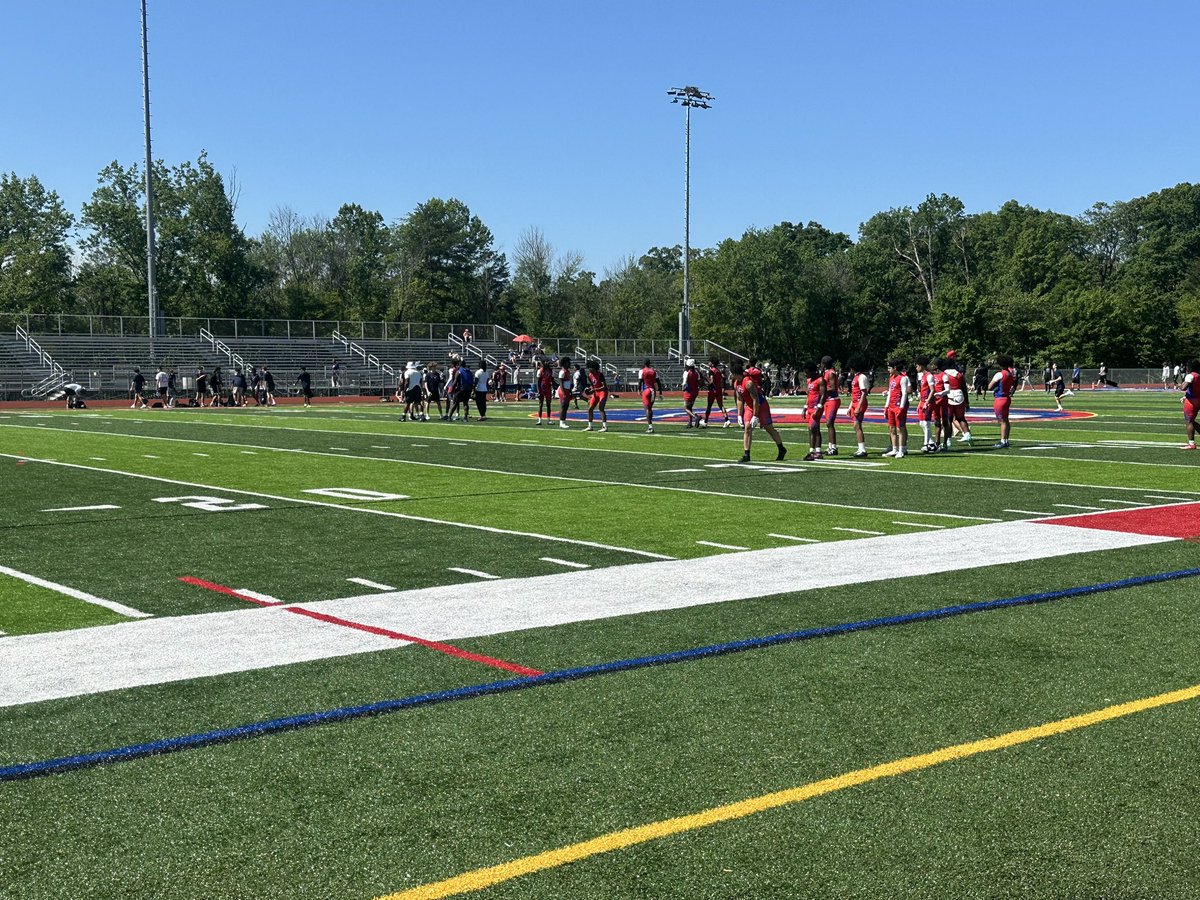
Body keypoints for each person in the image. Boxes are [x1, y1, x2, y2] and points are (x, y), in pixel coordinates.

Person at [731, 359, 785, 462]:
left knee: (769, 428)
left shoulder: (748, 383)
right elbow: (739, 399)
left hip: (761, 405)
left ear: (736, 374)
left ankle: (781, 448)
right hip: (750, 406)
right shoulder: (736, 383)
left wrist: (755, 416)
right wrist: (739, 415)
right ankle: (747, 454)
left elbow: (756, 399)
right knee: (747, 427)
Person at [941, 355, 973, 445]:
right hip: (960, 395)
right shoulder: (959, 374)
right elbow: (964, 388)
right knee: (961, 418)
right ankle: (967, 434)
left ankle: (948, 440)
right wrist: (967, 402)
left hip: (949, 395)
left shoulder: (944, 374)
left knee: (948, 419)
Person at [882, 359, 910, 459]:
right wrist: (886, 406)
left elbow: (904, 393)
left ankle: (901, 450)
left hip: (898, 406)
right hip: (891, 406)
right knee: (891, 428)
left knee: (900, 428)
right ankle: (894, 449)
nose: (888, 370)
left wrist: (901, 407)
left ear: (895, 368)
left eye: (890, 368)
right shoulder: (891, 378)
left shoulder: (903, 378)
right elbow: (890, 393)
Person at [989, 355, 1018, 448]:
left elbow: (990, 386)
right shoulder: (1010, 374)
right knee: (1006, 420)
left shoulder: (999, 374)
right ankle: (1005, 440)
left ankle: (1003, 441)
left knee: (1002, 421)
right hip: (1007, 398)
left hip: (1000, 398)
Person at [846, 356, 871, 458]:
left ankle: (862, 449)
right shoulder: (856, 377)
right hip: (855, 402)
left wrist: (858, 406)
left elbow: (864, 393)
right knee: (856, 426)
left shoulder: (861, 377)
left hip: (859, 403)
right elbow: (855, 394)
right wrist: (850, 406)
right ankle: (860, 448)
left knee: (857, 425)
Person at [802, 362, 826, 461]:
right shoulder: (809, 381)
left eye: (808, 373)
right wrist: (805, 407)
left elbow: (824, 395)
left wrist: (819, 407)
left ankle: (812, 452)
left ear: (812, 371)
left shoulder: (820, 380)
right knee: (814, 429)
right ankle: (818, 451)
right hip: (810, 408)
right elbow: (809, 395)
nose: (806, 375)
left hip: (817, 407)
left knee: (813, 428)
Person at [915, 355, 936, 453]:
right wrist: (920, 403)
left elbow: (932, 390)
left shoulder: (929, 376)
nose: (916, 367)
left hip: (928, 402)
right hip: (923, 401)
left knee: (926, 423)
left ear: (921, 366)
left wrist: (927, 402)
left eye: (917, 365)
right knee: (922, 423)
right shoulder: (923, 376)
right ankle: (931, 443)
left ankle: (926, 444)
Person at [703, 357, 732, 427]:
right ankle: (727, 420)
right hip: (718, 389)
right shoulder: (718, 371)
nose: (708, 363)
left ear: (712, 363)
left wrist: (705, 378)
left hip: (712, 390)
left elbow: (711, 381)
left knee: (709, 406)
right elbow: (721, 379)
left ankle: (705, 421)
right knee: (721, 405)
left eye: (709, 362)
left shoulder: (711, 371)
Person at [821, 356, 841, 455]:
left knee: (830, 423)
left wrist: (821, 392)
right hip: (828, 400)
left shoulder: (831, 373)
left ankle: (833, 447)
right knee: (828, 424)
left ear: (824, 364)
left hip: (833, 399)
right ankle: (830, 446)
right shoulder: (827, 372)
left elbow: (833, 388)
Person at [583, 360, 608, 432]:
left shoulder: (600, 375)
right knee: (590, 409)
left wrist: (594, 389)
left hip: (602, 392)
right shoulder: (589, 375)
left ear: (594, 368)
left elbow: (604, 386)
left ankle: (604, 426)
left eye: (591, 368)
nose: (589, 369)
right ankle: (590, 426)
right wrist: (589, 389)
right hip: (596, 393)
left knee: (601, 408)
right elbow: (592, 385)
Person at [639, 359, 663, 434]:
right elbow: (659, 383)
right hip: (653, 391)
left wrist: (639, 390)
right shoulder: (654, 371)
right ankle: (650, 425)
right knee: (650, 409)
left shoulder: (641, 371)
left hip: (646, 390)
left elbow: (640, 382)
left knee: (647, 409)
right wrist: (660, 393)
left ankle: (650, 426)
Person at [1181, 359, 1199, 450]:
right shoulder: (1198, 375)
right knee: (1192, 421)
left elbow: (1183, 388)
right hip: (1198, 399)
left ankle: (1191, 443)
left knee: (1189, 421)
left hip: (1191, 401)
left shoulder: (1190, 376)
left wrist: (1181, 385)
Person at [681, 358, 702, 428]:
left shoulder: (686, 373)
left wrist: (683, 389)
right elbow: (699, 382)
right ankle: (690, 422)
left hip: (689, 392)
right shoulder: (696, 372)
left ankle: (695, 417)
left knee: (686, 408)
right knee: (690, 407)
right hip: (695, 391)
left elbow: (684, 384)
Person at [555, 356, 574, 429]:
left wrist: (570, 392)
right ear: (565, 363)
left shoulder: (567, 371)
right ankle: (561, 422)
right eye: (568, 362)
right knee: (563, 406)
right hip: (563, 391)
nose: (570, 364)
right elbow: (561, 383)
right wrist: (563, 393)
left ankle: (563, 421)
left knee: (566, 407)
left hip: (567, 390)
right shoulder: (562, 371)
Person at [535, 358, 554, 425]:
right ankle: (539, 419)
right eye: (546, 362)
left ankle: (549, 419)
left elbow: (552, 379)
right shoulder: (540, 370)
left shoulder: (550, 370)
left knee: (548, 404)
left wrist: (555, 386)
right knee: (541, 404)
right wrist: (538, 391)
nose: (548, 363)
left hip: (548, 388)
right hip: (542, 388)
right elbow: (538, 382)